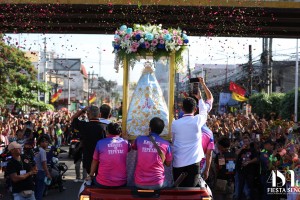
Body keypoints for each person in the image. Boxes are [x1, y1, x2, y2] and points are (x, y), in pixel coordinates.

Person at [172, 77, 208, 187]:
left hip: (178, 163)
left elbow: (172, 140)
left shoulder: (175, 124)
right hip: (194, 164)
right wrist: (200, 98)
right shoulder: (197, 120)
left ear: (182, 109)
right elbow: (204, 112)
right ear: (195, 109)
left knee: (179, 193)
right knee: (191, 193)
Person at [133, 117, 172, 190]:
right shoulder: (166, 144)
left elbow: (133, 147)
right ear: (162, 130)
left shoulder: (139, 139)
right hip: (158, 183)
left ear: (149, 128)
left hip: (139, 182)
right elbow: (168, 163)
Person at [87, 123, 130, 188]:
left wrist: (90, 175)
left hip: (102, 182)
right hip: (121, 183)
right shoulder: (126, 143)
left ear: (107, 131)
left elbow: (95, 160)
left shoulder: (100, 143)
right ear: (120, 132)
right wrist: (126, 139)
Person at [71, 106, 106, 175]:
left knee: (90, 178)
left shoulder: (84, 125)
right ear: (100, 115)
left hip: (88, 158)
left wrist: (83, 110)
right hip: (102, 158)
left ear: (87, 115)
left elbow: (73, 118)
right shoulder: (104, 127)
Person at [234, 136, 258, 200]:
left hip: (250, 171)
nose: (245, 143)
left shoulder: (253, 150)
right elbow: (236, 154)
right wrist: (242, 148)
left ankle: (250, 197)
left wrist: (249, 162)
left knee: (250, 185)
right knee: (240, 185)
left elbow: (256, 159)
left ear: (249, 142)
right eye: (244, 141)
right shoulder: (242, 149)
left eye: (247, 141)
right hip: (241, 171)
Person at [34, 135, 52, 200]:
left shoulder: (36, 150)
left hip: (35, 172)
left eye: (46, 142)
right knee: (40, 191)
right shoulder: (42, 151)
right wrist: (48, 174)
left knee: (36, 190)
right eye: (43, 142)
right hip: (40, 172)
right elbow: (44, 164)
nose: (45, 143)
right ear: (40, 143)